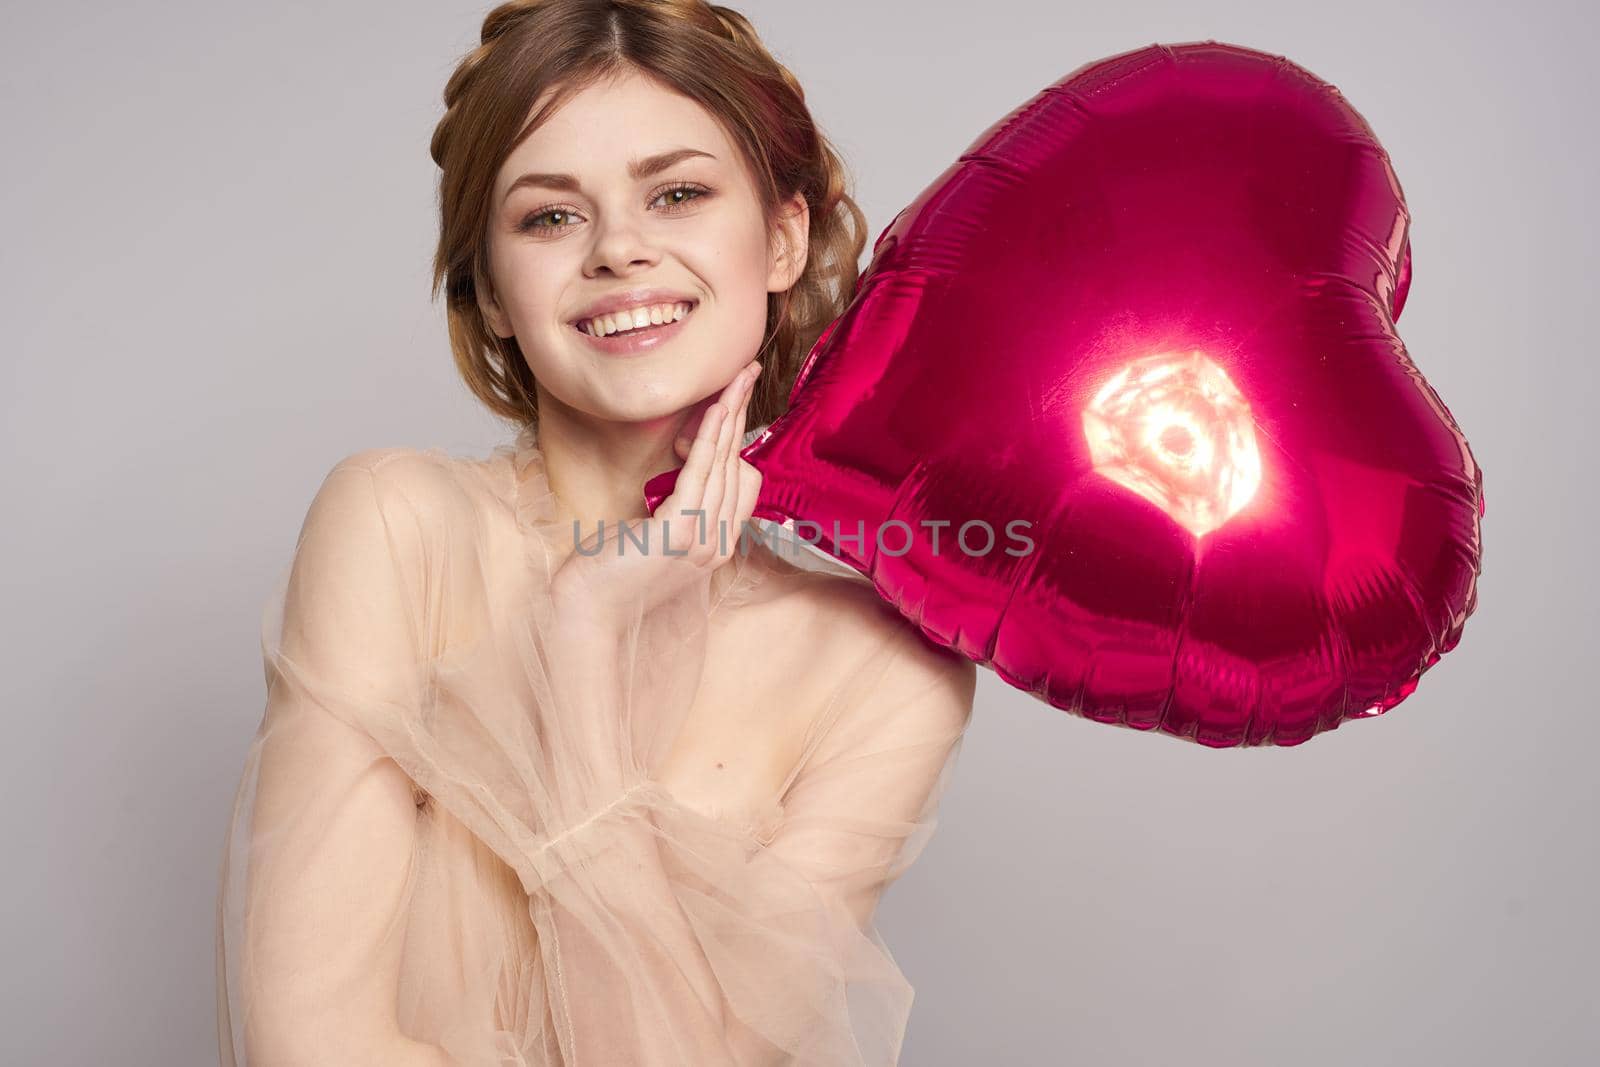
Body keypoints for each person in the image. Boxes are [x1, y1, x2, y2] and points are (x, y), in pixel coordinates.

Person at [213, 2, 977, 1064]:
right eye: (548, 217)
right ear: (487, 294)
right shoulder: (398, 527)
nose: (620, 247)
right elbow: (310, 1040)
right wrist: (579, 608)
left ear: (784, 236)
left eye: (677, 193)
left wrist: (580, 650)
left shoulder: (888, 665)